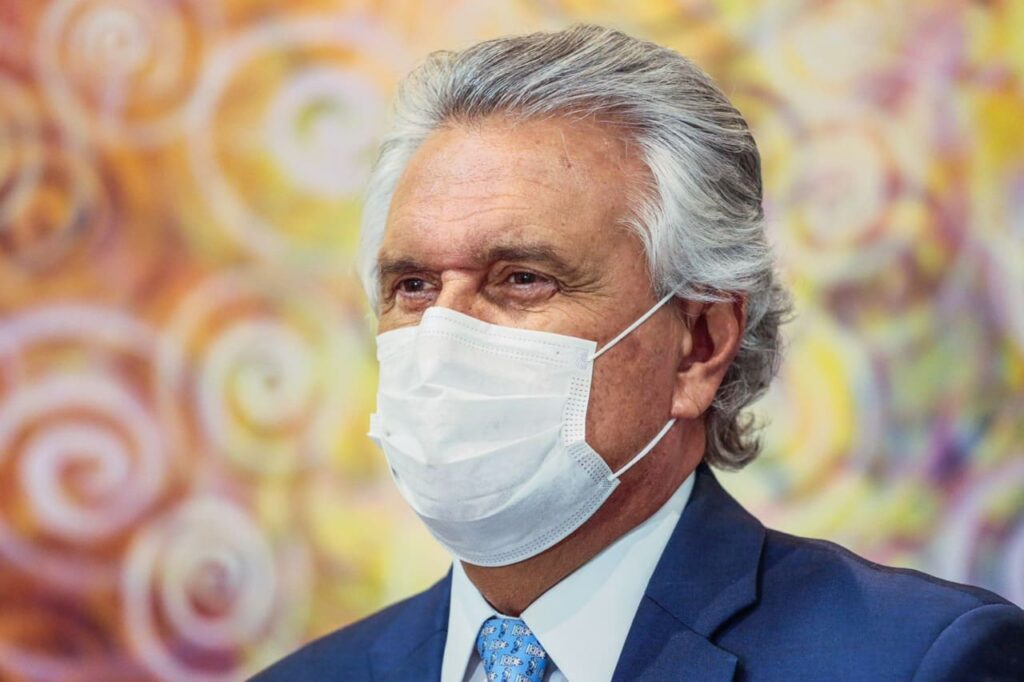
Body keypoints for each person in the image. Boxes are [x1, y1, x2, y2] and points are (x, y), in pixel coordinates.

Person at [254, 24, 1024, 682]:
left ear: (699, 346)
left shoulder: (913, 660)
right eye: (414, 286)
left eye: (522, 279)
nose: (443, 336)